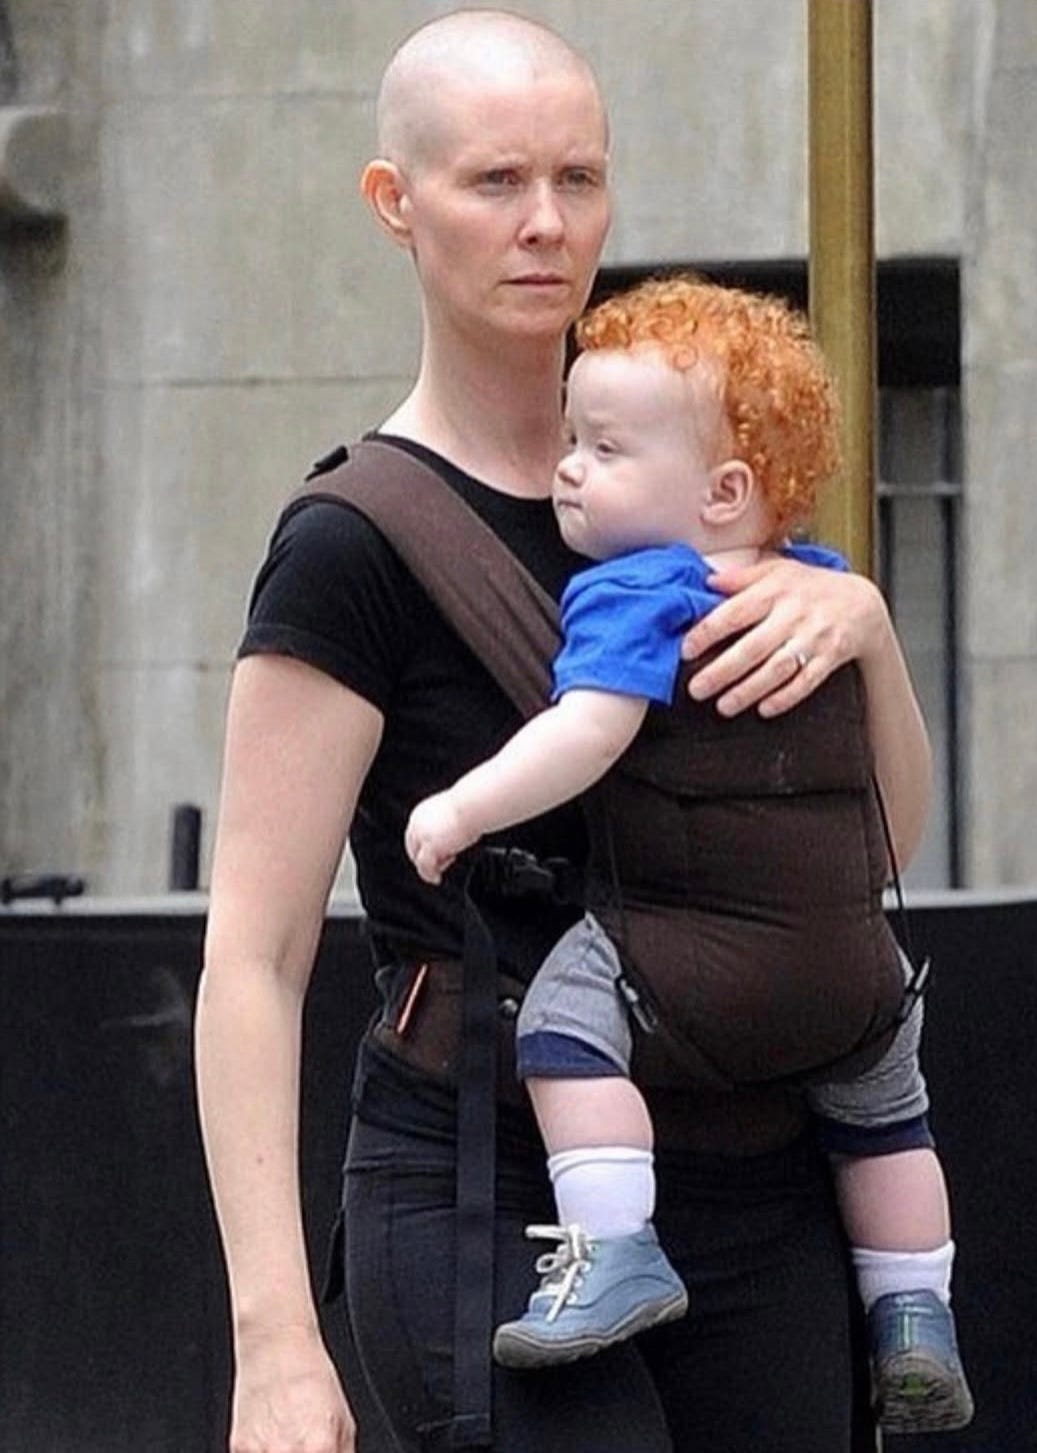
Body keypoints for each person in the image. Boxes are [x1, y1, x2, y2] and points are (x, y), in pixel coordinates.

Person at [194, 10, 938, 1453]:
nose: (546, 222)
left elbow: (875, 851)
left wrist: (867, 634)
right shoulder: (354, 540)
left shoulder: (711, 494)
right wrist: (272, 1336)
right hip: (478, 1175)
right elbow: (255, 956)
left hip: (753, 1166)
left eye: (578, 178)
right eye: (496, 181)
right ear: (395, 202)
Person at [404, 275, 973, 1435]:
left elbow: (586, 733)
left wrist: (463, 807)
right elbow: (887, 828)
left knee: (561, 1025)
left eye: (605, 449)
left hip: (693, 970)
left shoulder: (636, 590)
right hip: (853, 977)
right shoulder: (824, 594)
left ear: (724, 492)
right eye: (573, 439)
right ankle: (915, 1310)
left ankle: (612, 1245)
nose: (569, 468)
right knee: (886, 1118)